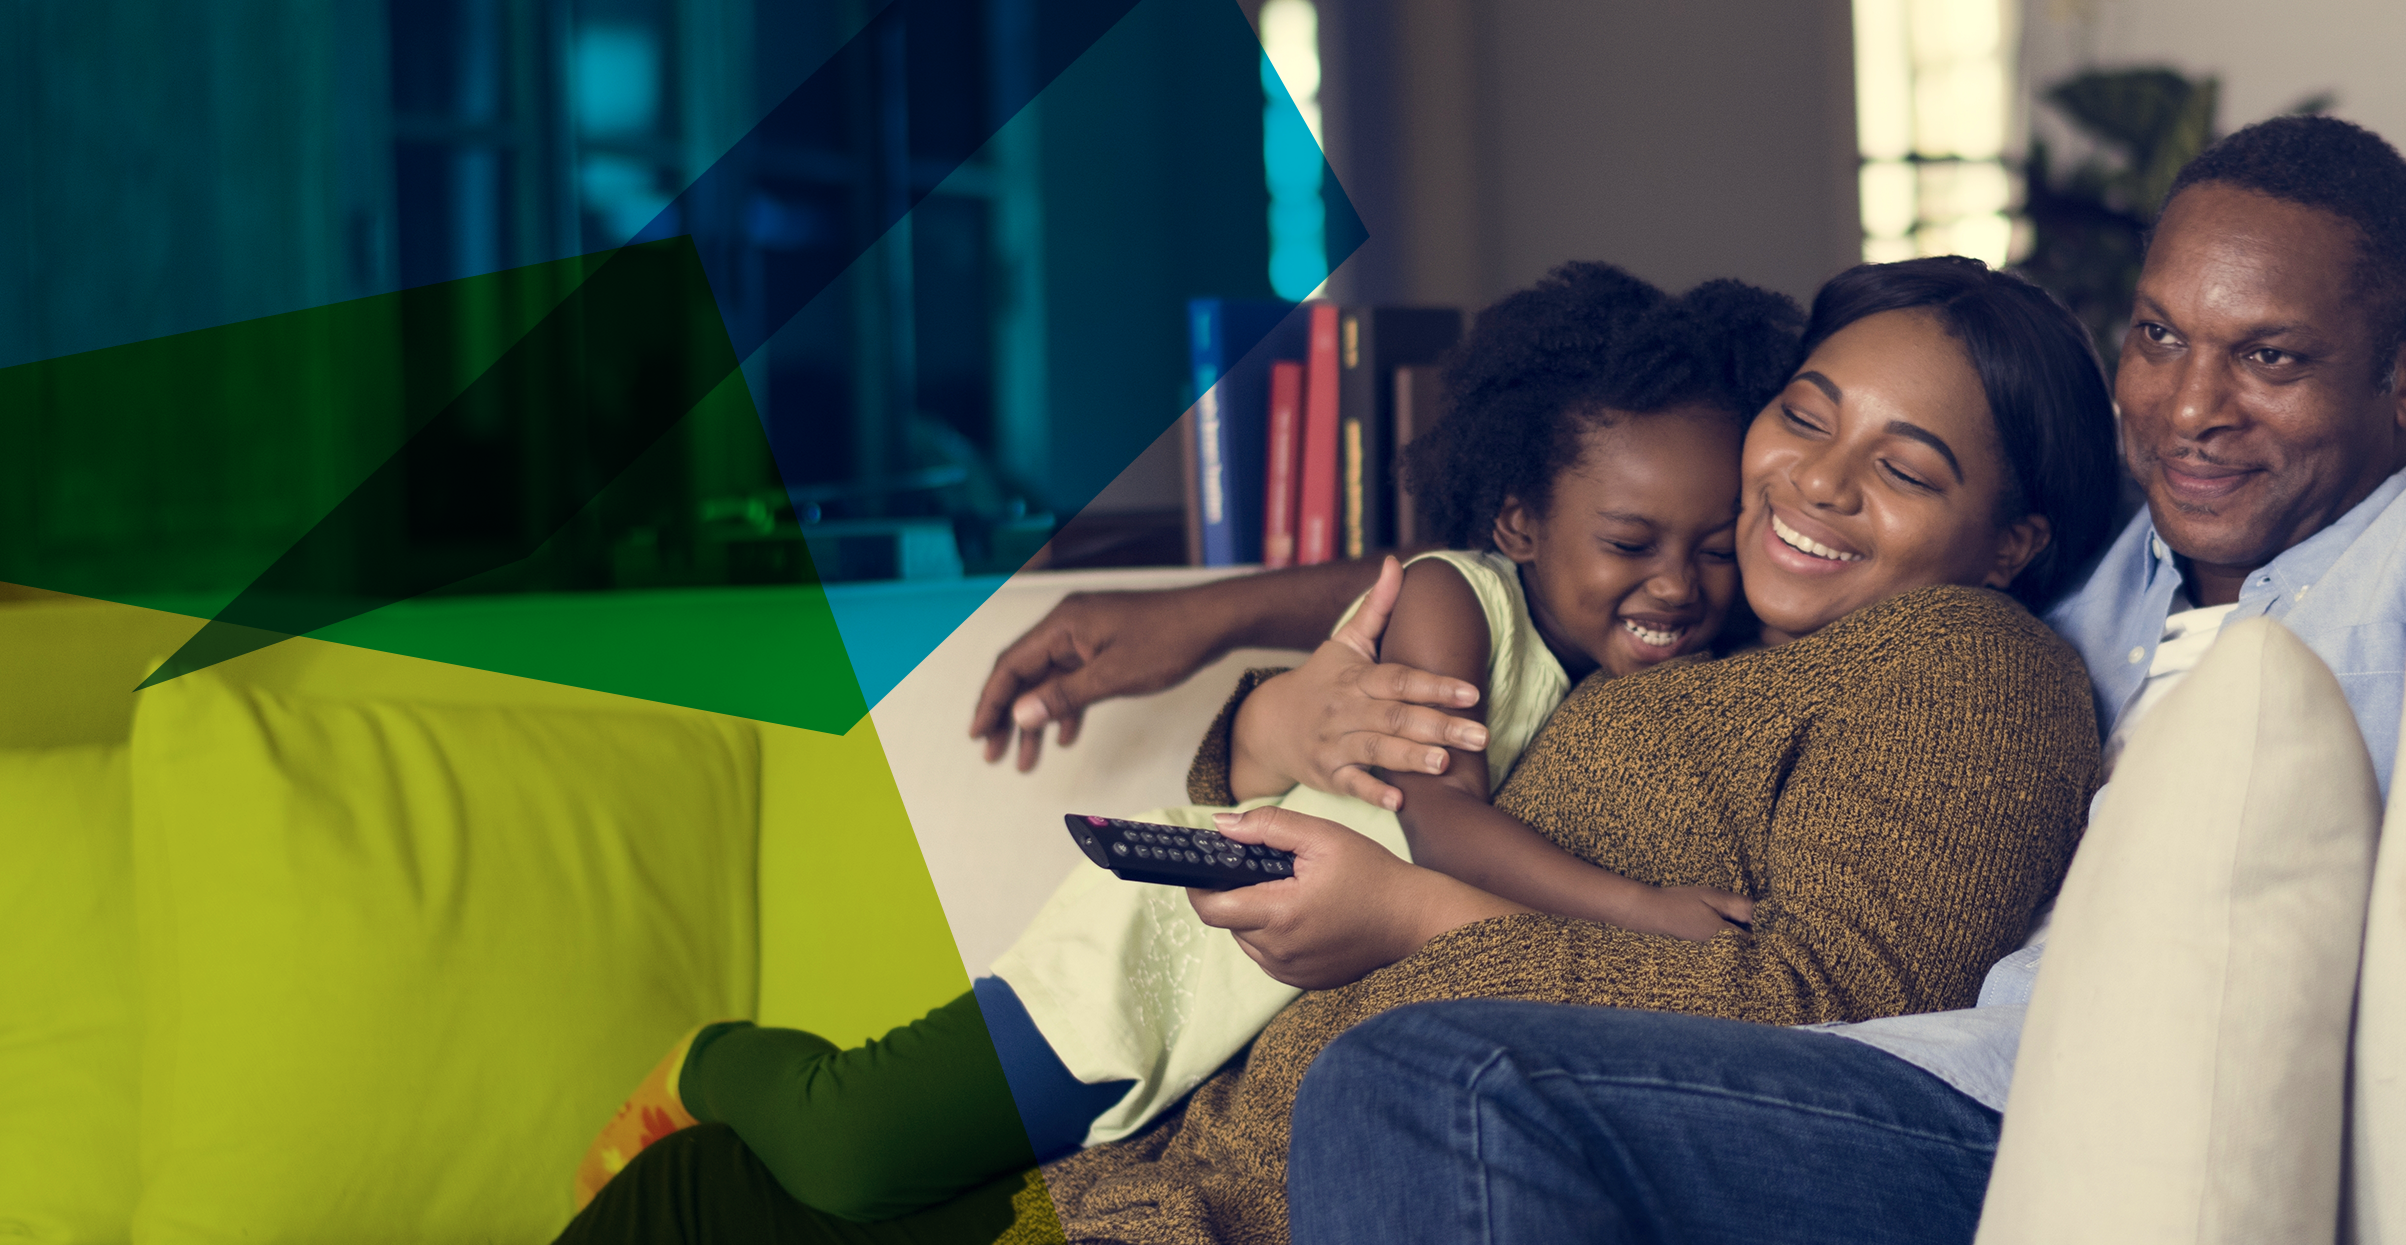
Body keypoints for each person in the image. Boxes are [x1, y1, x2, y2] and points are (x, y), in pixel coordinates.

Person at [971, 117, 2406, 1244]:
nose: (2194, 402)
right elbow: (1648, 568)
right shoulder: (2071, 561)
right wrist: (1232, 618)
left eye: (2269, 357)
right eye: (2163, 339)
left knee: (1438, 1071)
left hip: (2028, 1121)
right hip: (1885, 1076)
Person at [556, 264, 1806, 1235]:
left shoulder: (1646, 669)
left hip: (1221, 1042)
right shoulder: (1456, 602)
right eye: (1632, 541)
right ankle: (705, 1065)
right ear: (1523, 519)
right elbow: (1445, 818)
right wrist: (1640, 913)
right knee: (853, 1155)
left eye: (1713, 546)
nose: (1678, 584)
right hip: (1130, 979)